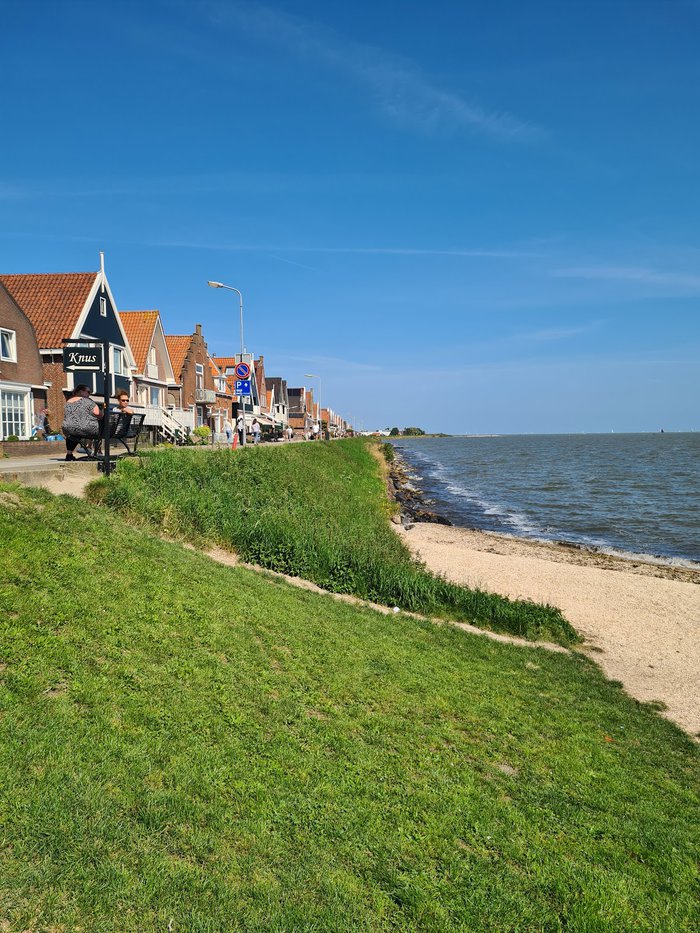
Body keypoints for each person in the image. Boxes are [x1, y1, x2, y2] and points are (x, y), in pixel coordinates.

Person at [61, 385, 102, 461]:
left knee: (73, 433)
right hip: (86, 428)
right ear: (81, 392)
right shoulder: (88, 401)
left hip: (67, 429)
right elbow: (98, 414)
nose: (89, 394)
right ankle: (96, 452)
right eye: (88, 392)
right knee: (97, 429)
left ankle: (69, 454)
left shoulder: (68, 402)